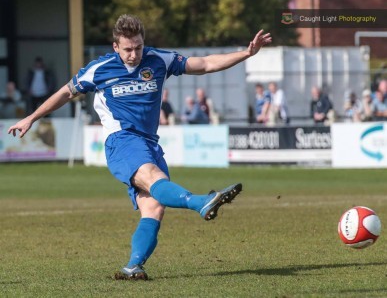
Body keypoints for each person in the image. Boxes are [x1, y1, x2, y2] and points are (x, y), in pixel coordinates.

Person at [8, 14, 271, 280]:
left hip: (149, 143)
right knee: (154, 178)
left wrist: (247, 53)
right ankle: (201, 202)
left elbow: (204, 64)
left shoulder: (158, 60)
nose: (134, 54)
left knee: (154, 208)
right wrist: (32, 117)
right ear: (115, 47)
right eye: (127, 49)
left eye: (138, 47)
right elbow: (65, 92)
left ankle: (133, 266)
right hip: (120, 140)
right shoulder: (100, 69)